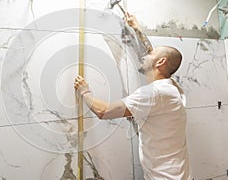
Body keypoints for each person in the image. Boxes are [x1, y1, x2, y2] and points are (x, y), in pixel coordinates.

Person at [74, 14, 191, 180]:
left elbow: (103, 111)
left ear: (160, 62)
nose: (143, 56)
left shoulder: (154, 93)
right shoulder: (170, 87)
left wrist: (84, 91)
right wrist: (137, 29)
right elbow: (152, 55)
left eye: (149, 55)